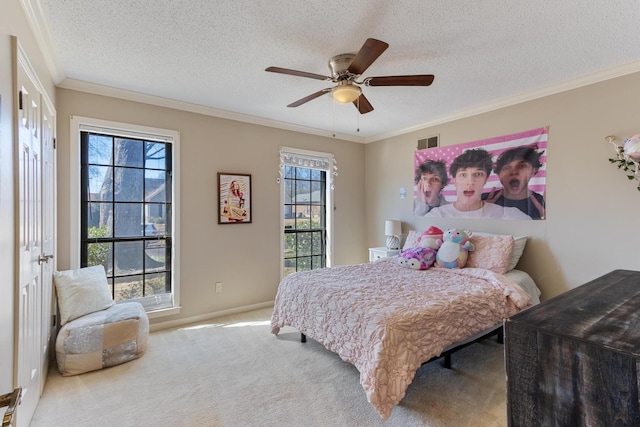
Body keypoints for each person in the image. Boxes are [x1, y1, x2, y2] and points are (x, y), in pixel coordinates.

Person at [426, 149, 531, 219]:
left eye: (478, 174)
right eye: (463, 175)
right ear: (454, 180)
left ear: (486, 180)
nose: (470, 181)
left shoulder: (508, 215)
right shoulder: (437, 215)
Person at [482, 145, 546, 219]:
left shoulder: (545, 205)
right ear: (499, 174)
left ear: (534, 171)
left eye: (522, 166)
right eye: (507, 168)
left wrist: (549, 222)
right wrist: (478, 212)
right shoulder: (482, 201)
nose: (514, 172)